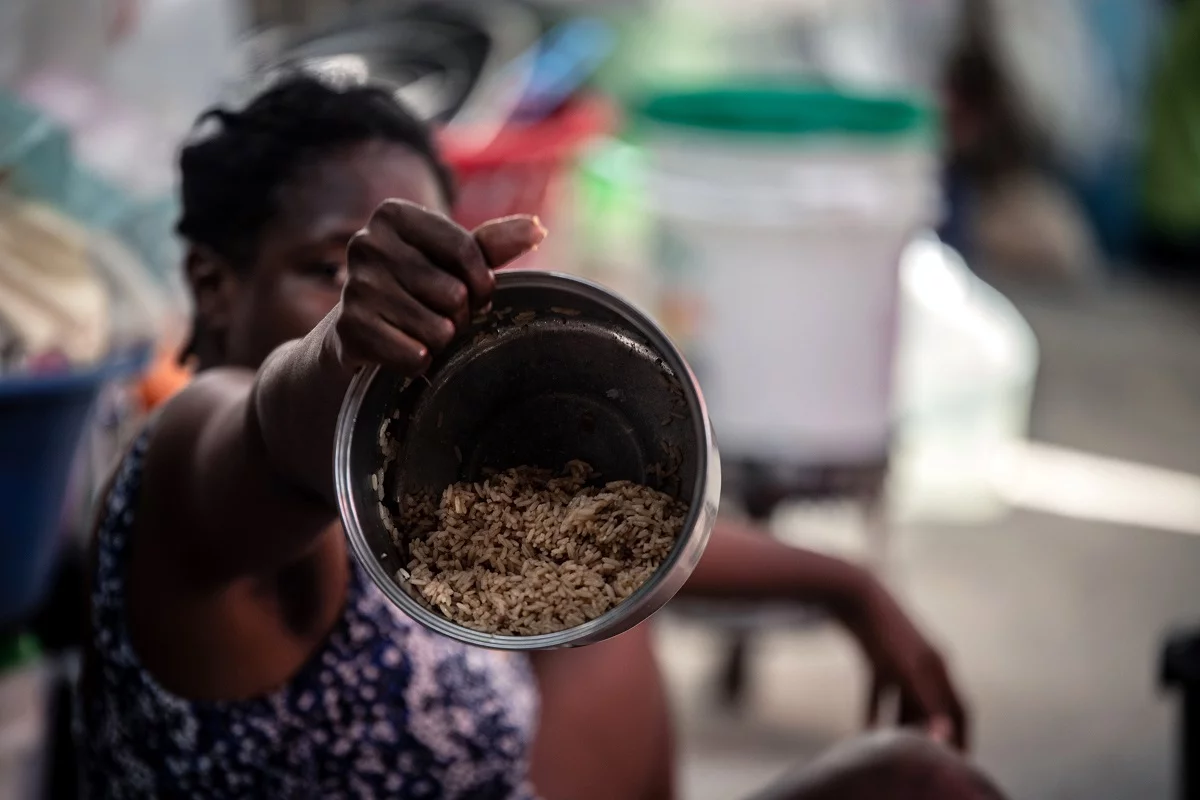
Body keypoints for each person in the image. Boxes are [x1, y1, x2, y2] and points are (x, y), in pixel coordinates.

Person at [79, 72, 1006, 799]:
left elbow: (602, 521)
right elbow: (270, 436)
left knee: (922, 782)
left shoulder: (408, 498)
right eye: (334, 271)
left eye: (424, 286)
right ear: (215, 288)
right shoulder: (188, 456)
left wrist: (844, 584)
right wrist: (339, 347)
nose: (402, 324)